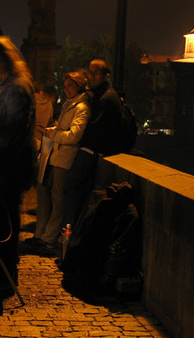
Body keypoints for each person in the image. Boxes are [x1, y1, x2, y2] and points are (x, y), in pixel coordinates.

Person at [0, 36, 36, 297]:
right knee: (2, 221)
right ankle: (2, 270)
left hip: (12, 167)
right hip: (8, 165)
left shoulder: (15, 87)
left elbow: (12, 125)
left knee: (4, 224)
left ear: (2, 61)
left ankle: (6, 275)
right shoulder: (8, 85)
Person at [22, 70, 90, 257]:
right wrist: (55, 130)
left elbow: (75, 135)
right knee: (44, 193)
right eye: (65, 85)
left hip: (63, 158)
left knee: (58, 198)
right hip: (52, 155)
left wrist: (54, 134)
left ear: (78, 86)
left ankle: (49, 238)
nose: (67, 89)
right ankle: (40, 234)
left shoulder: (82, 107)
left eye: (71, 85)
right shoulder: (69, 104)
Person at [63, 59, 122, 229]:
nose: (90, 76)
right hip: (93, 153)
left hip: (92, 153)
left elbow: (96, 131)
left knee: (71, 189)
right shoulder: (99, 95)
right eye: (90, 72)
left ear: (106, 76)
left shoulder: (107, 98)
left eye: (95, 73)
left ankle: (69, 235)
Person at [33, 83, 56, 151]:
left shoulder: (29, 100)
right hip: (38, 138)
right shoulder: (49, 106)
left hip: (26, 135)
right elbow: (49, 123)